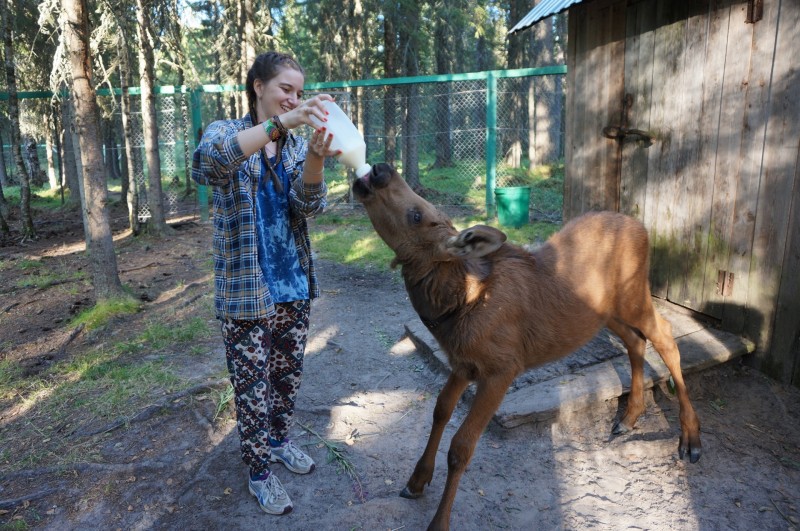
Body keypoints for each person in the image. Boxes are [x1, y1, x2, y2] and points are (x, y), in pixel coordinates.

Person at [191, 51, 339, 516]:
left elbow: (307, 207)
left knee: (285, 378)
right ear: (258, 86)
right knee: (252, 389)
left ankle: (278, 442)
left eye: (299, 92)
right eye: (285, 90)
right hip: (245, 291)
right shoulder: (223, 131)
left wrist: (314, 156)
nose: (294, 99)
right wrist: (283, 123)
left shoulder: (295, 146)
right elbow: (207, 165)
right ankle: (259, 474)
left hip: (292, 283)